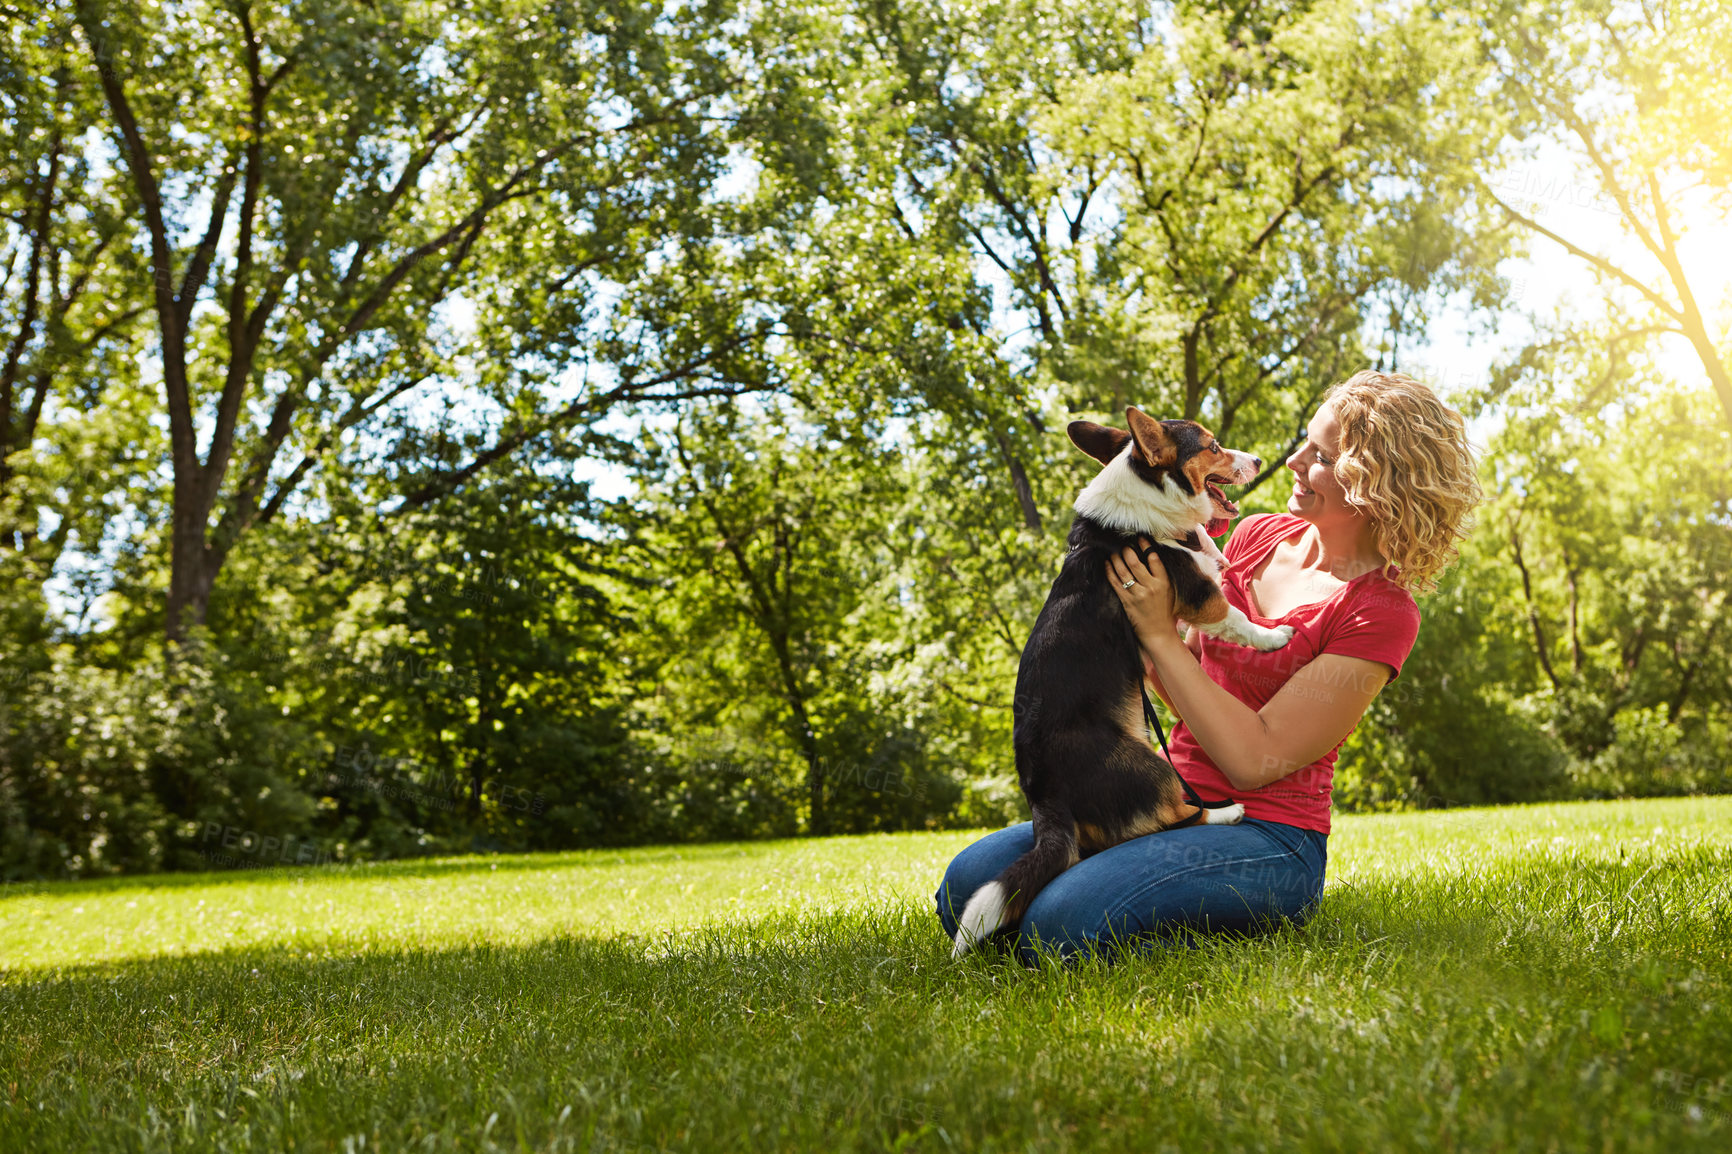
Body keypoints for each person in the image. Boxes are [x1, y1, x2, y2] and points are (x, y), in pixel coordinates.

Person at [935, 370, 1482, 963]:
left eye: (1319, 456)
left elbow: (1253, 760)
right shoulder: (1256, 536)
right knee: (967, 882)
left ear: (1374, 482)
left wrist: (1155, 634)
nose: (1294, 461)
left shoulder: (1381, 610)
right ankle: (1120, 898)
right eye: (1304, 441)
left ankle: (1185, 925)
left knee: (1057, 928)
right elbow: (1187, 684)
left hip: (1270, 835)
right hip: (1163, 801)